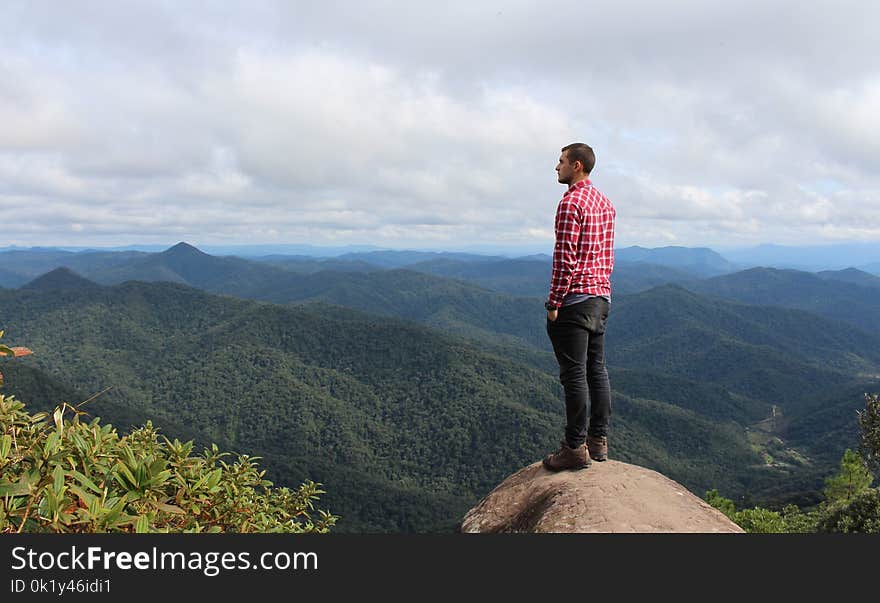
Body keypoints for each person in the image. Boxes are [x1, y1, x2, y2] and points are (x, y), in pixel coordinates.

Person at [542, 142, 616, 471]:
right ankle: (598, 441)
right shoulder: (605, 203)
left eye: (560, 162)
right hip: (601, 298)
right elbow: (606, 255)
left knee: (574, 376)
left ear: (576, 165)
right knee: (596, 370)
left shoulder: (571, 203)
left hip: (574, 300)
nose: (555, 167)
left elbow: (565, 259)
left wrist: (554, 303)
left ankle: (574, 447)